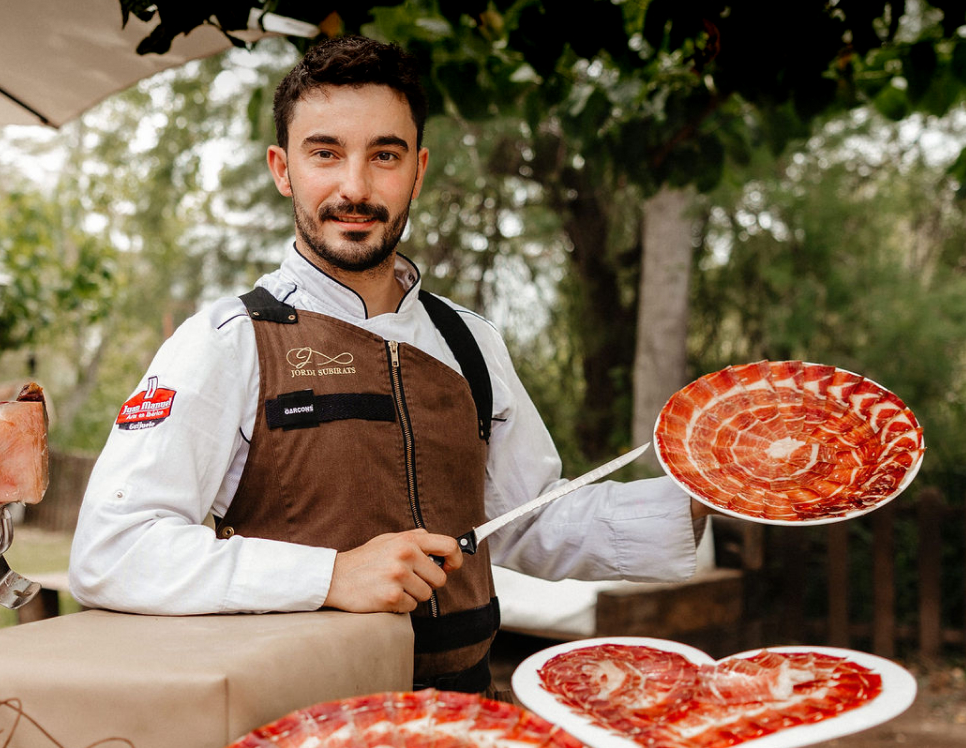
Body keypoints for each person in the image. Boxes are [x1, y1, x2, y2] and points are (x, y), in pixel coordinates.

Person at [69, 35, 704, 693]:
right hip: (296, 721)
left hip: (465, 711)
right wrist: (332, 576)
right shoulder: (226, 341)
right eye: (325, 153)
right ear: (283, 169)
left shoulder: (470, 342)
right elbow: (115, 550)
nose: (355, 187)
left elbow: (529, 519)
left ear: (418, 170)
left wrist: (717, 490)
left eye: (384, 156)